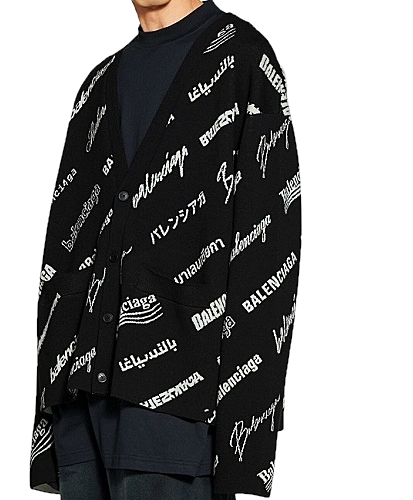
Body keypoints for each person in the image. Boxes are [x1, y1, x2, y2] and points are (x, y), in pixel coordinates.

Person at [30, 0, 301, 498]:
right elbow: (59, 260)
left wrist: (246, 441)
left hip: (177, 414)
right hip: (78, 413)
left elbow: (268, 252)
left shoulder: (242, 60)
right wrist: (47, 419)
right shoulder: (97, 86)